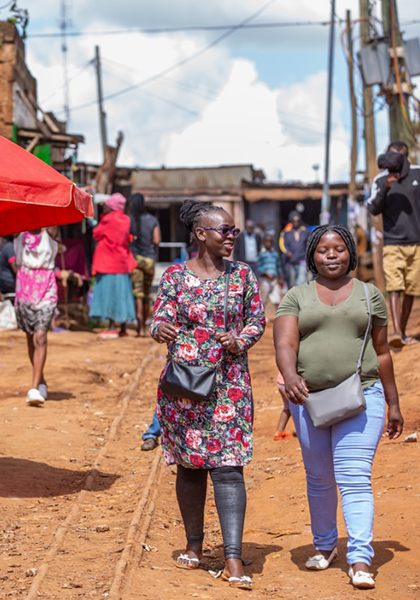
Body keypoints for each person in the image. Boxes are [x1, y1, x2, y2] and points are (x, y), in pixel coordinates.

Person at [273, 225, 404, 590]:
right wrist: (289, 375)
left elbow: (381, 352)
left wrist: (394, 403)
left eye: (339, 249)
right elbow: (284, 342)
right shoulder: (296, 296)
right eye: (323, 250)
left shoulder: (369, 294)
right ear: (312, 254)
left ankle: (360, 558)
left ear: (351, 253)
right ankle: (326, 545)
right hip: (308, 399)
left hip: (362, 396)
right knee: (318, 478)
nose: (332, 255)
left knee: (353, 476)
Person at [150, 200, 266, 591]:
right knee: (190, 466)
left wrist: (239, 339)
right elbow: (160, 316)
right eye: (225, 231)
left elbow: (257, 320)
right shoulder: (175, 277)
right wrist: (160, 328)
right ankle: (194, 546)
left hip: (229, 385)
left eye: (234, 231)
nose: (232, 237)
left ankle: (233, 557)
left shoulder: (243, 276)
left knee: (230, 468)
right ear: (201, 234)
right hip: (184, 388)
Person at [367, 141, 420, 347]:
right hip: (392, 243)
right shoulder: (381, 179)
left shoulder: (418, 173)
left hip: (417, 242)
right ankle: (397, 333)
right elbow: (372, 207)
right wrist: (387, 187)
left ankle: (404, 330)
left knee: (411, 289)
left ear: (404, 157)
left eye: (396, 158)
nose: (391, 162)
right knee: (394, 287)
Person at [14, 227, 59, 406]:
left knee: (40, 336)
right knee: (31, 337)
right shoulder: (20, 232)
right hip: (25, 288)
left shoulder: (50, 231)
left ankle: (33, 388)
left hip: (46, 288)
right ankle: (41, 380)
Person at [90, 193, 137, 338]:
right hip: (122, 262)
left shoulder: (109, 219)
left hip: (108, 262)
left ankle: (111, 328)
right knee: (123, 295)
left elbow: (96, 234)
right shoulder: (126, 219)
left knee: (110, 295)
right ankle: (123, 329)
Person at [128, 193, 161, 337]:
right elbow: (157, 240)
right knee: (147, 294)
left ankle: (140, 328)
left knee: (138, 295)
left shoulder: (128, 221)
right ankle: (147, 326)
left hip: (134, 260)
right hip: (149, 260)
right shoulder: (152, 220)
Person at [257, 233, 284, 318]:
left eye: (270, 241)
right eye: (267, 241)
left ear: (272, 243)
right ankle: (261, 317)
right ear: (263, 242)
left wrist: (280, 277)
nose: (268, 243)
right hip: (264, 279)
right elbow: (259, 267)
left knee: (277, 299)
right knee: (263, 299)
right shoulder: (261, 253)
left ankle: (279, 317)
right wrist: (266, 273)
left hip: (274, 279)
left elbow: (278, 266)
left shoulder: (275, 254)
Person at [280, 212, 309, 288]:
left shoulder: (305, 232)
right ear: (291, 222)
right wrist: (287, 252)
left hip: (302, 260)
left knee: (301, 281)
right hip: (291, 261)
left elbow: (308, 244)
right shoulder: (286, 233)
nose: (296, 223)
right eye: (294, 221)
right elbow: (283, 244)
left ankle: (301, 299)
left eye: (297, 221)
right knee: (292, 283)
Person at [273, 373, 294, 441]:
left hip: (281, 383)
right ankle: (304, 431)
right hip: (287, 384)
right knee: (298, 407)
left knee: (287, 407)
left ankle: (279, 432)